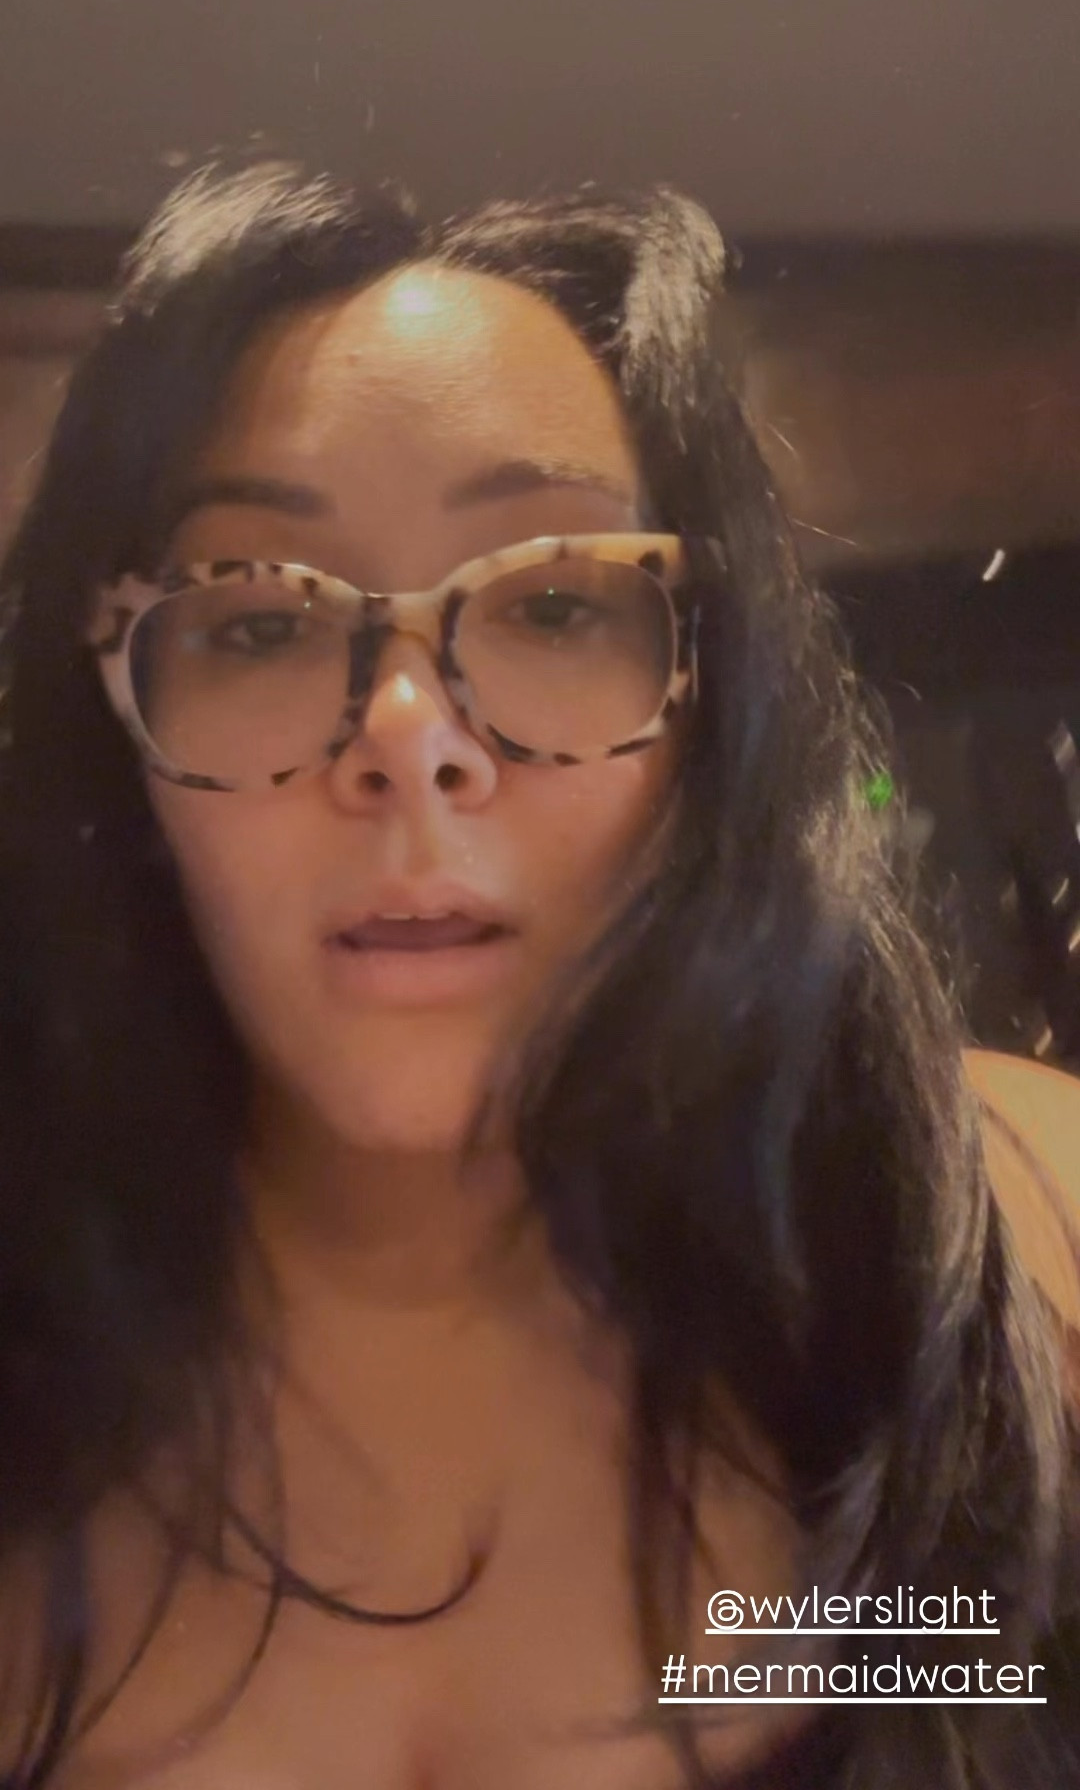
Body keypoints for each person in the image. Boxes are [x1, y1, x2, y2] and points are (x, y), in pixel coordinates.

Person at [0, 163, 1076, 1790]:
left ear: (709, 691)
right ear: (118, 726)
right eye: (258, 621)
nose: (409, 742)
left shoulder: (1021, 1234)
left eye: (556, 603)